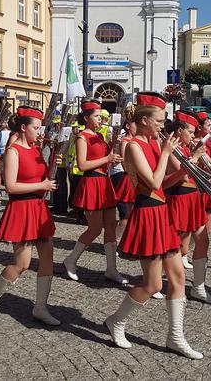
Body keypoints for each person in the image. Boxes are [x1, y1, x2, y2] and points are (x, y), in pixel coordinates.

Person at [105, 93, 202, 359]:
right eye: (159, 120)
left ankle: (175, 337)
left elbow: (166, 183)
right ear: (145, 120)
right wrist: (167, 154)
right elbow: (154, 183)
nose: (163, 125)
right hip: (147, 215)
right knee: (153, 286)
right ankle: (117, 321)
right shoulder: (134, 146)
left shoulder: (155, 143)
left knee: (178, 277)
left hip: (162, 213)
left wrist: (185, 169)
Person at [0, 106, 61, 325]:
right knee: (22, 263)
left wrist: (53, 165)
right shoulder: (13, 151)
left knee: (47, 259)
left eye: (40, 127)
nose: (39, 131)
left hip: (38, 208)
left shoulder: (36, 149)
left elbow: (42, 179)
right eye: (35, 128)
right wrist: (42, 184)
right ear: (24, 128)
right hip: (21, 209)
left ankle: (41, 307)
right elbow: (12, 187)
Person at [64, 99, 125, 285]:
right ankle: (71, 260)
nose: (100, 119)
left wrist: (114, 149)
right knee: (95, 228)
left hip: (104, 182)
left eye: (100, 116)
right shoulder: (82, 137)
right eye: (97, 116)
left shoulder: (99, 135)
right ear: (86, 117)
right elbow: (82, 164)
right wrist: (107, 158)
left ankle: (111, 269)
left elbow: (104, 159)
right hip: (91, 182)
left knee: (111, 227)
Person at [167, 112, 211, 304]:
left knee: (203, 241)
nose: (193, 134)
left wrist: (203, 157)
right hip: (179, 199)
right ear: (180, 131)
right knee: (174, 245)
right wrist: (196, 157)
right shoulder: (172, 149)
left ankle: (198, 287)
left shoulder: (188, 149)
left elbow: (204, 171)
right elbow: (184, 176)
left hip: (194, 199)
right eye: (190, 131)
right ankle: (155, 280)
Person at [112, 113, 137, 239]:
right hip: (130, 179)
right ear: (128, 126)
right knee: (126, 216)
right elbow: (125, 163)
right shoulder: (125, 142)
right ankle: (116, 240)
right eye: (135, 124)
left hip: (137, 179)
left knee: (135, 215)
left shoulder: (135, 141)